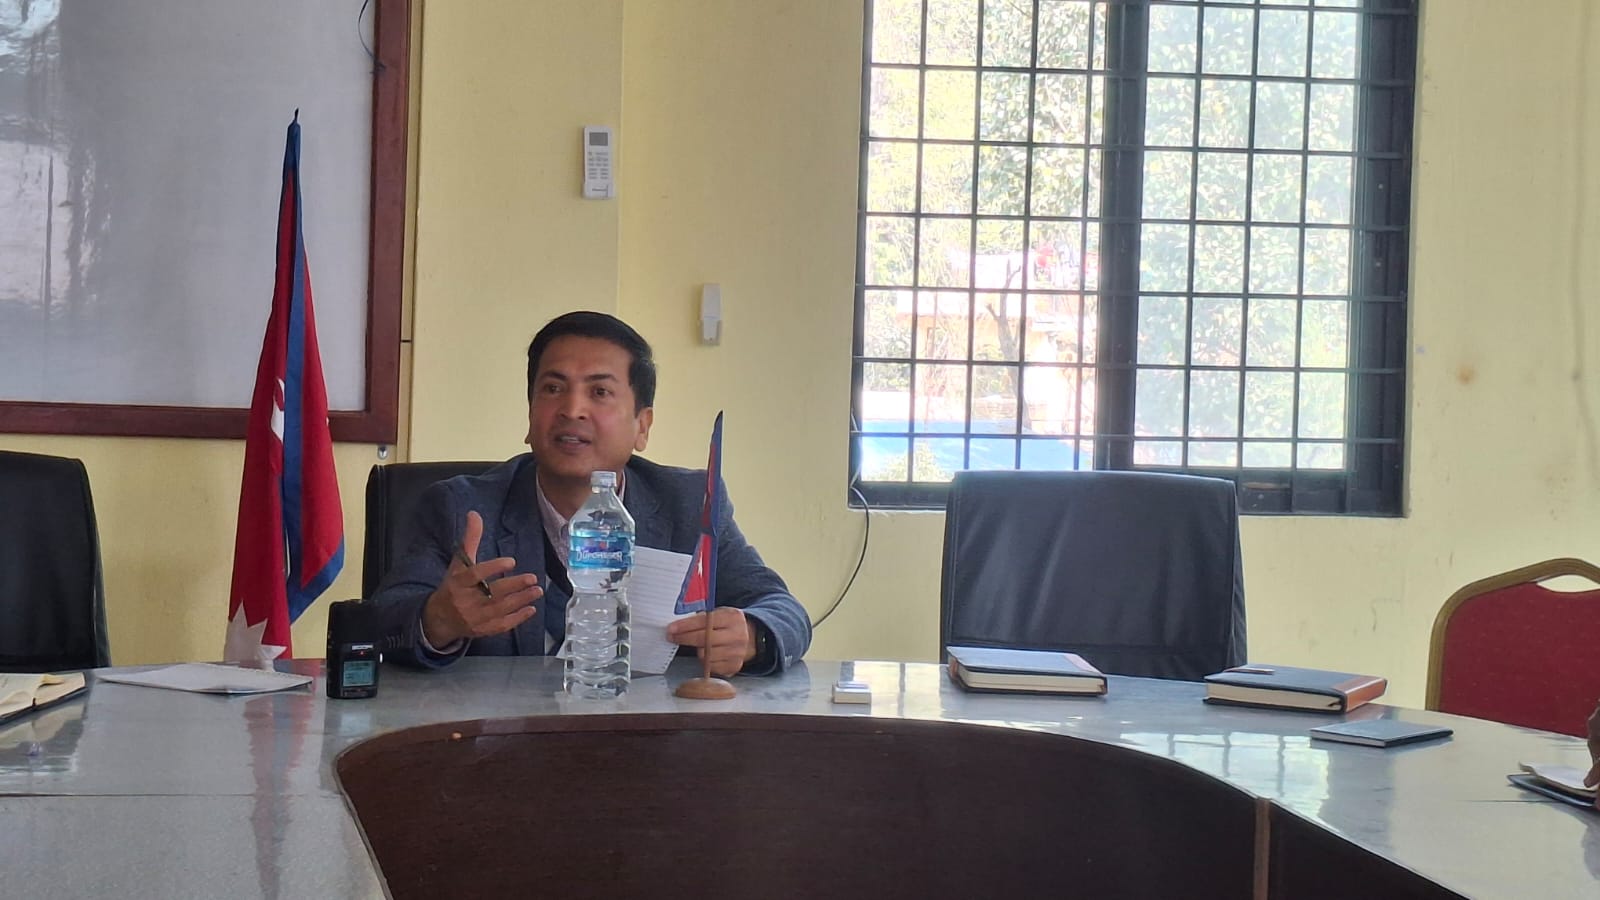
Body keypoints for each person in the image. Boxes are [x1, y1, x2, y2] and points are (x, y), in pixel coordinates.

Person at [369, 311, 811, 675]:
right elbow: (377, 623)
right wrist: (438, 620)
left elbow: (783, 610)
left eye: (599, 392)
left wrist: (754, 634)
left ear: (642, 426)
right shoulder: (462, 509)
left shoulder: (688, 504)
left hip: (640, 742)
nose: (572, 409)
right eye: (553, 389)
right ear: (530, 415)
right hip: (496, 744)